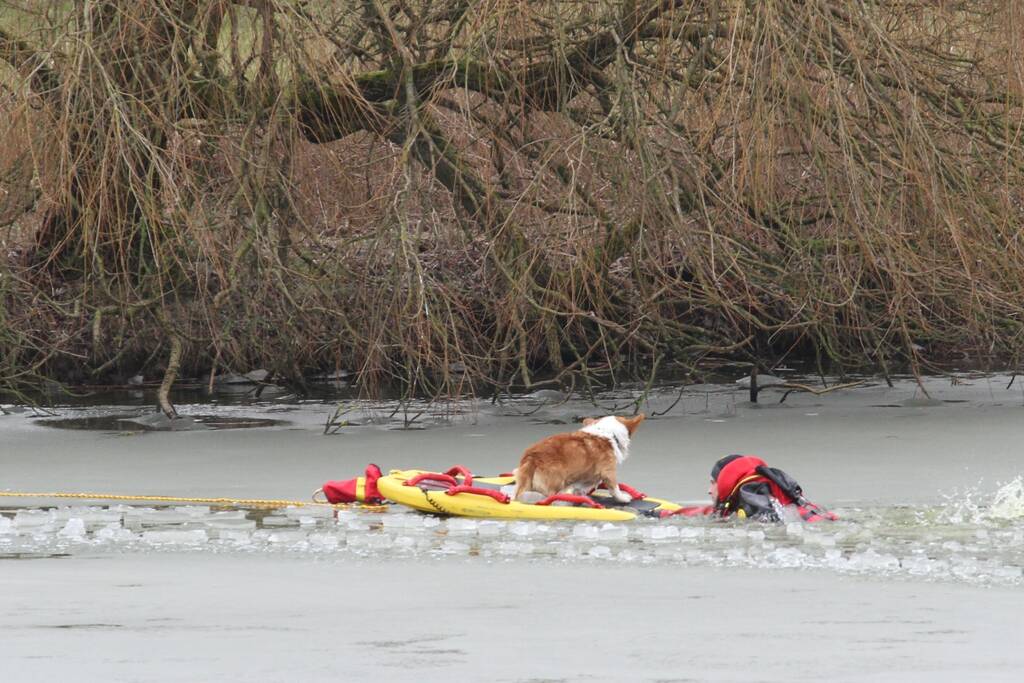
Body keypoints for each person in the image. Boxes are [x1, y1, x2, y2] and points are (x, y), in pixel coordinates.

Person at [662, 454, 837, 521]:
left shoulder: (743, 507)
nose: (709, 490)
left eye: (712, 482)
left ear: (724, 484)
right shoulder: (778, 494)